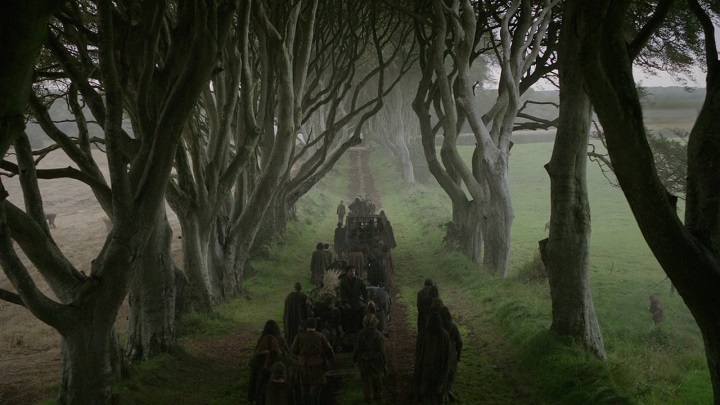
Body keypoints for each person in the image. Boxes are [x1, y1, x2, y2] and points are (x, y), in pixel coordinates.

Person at [291, 317, 335, 405]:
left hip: (303, 365)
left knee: (304, 391)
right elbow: (329, 350)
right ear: (315, 325)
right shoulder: (320, 336)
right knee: (315, 393)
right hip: (317, 365)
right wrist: (330, 360)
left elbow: (293, 350)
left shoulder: (299, 336)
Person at [248, 320, 292, 405]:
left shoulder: (262, 339)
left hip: (262, 369)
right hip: (276, 368)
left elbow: (256, 354)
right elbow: (287, 354)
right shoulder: (280, 339)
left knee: (261, 389)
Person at [414, 312, 453, 404]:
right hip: (439, 366)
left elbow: (418, 352)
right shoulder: (445, 335)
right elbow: (448, 354)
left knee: (427, 387)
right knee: (436, 388)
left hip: (426, 366)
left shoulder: (423, 334)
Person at [353, 314, 386, 403]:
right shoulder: (378, 334)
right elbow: (382, 350)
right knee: (377, 378)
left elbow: (357, 348)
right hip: (375, 358)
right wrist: (384, 361)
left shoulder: (361, 333)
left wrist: (354, 358)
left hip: (363, 358)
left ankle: (367, 397)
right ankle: (378, 395)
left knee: (365, 379)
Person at [440, 306, 463, 402]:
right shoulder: (453, 327)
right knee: (451, 374)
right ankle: (447, 391)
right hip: (451, 354)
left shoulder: (438, 327)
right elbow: (459, 342)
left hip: (440, 354)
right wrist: (458, 355)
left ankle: (443, 393)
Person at [339, 265, 368, 333]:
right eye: (350, 271)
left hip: (357, 301)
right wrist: (346, 303)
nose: (352, 272)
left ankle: (358, 328)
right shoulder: (343, 282)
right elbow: (342, 294)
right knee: (345, 313)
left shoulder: (360, 281)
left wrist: (366, 300)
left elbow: (364, 292)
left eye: (354, 271)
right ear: (347, 272)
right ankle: (347, 330)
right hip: (347, 301)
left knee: (360, 311)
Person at [283, 282, 308, 348]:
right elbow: (306, 308)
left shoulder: (289, 296)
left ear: (294, 288)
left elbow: (286, 309)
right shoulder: (303, 296)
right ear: (300, 288)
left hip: (290, 318)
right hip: (299, 319)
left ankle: (290, 345)